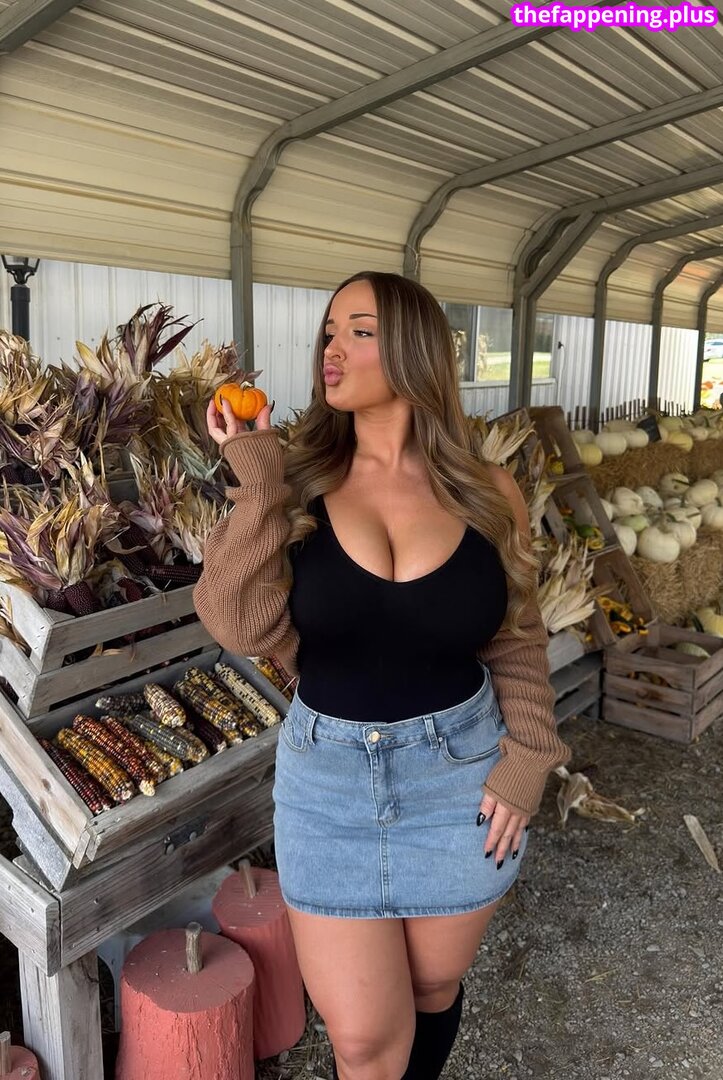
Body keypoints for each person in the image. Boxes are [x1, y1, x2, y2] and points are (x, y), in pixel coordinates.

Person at [194, 271, 571, 1080]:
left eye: (358, 331)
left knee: (433, 987)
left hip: (460, 777)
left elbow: (516, 640)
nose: (331, 349)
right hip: (327, 786)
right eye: (329, 332)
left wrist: (529, 758)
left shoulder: (488, 493)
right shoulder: (294, 482)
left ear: (413, 350)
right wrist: (256, 483)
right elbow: (235, 623)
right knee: (363, 1041)